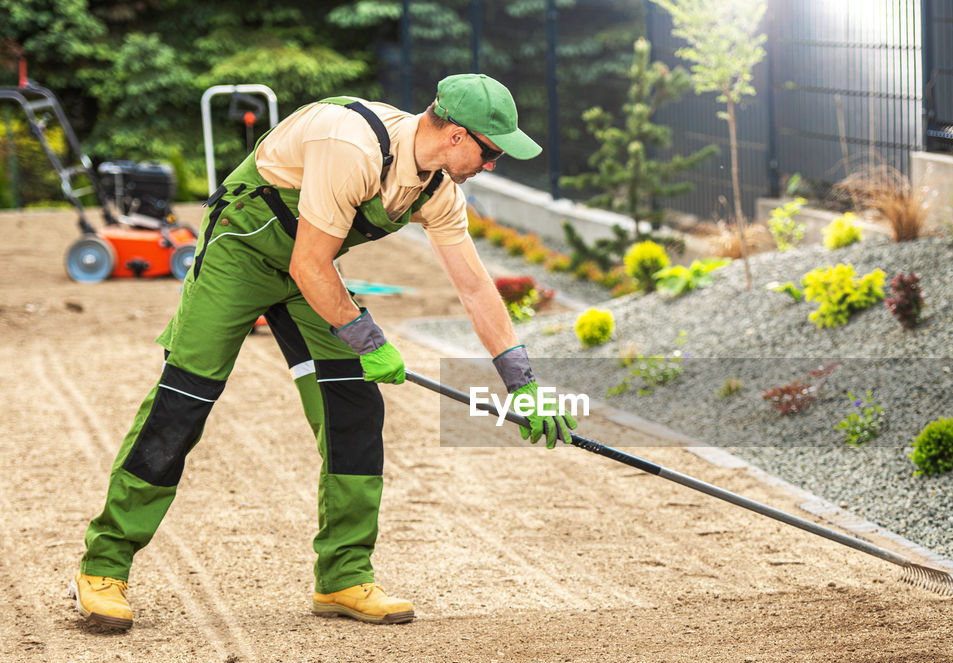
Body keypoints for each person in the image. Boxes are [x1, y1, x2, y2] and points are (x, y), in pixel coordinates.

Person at [70, 74, 577, 630]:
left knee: (354, 408)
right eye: (492, 150)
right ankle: (105, 566)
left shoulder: (436, 188)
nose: (494, 163)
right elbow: (307, 264)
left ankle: (343, 576)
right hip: (243, 252)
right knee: (182, 405)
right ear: (457, 135)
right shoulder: (351, 146)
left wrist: (521, 383)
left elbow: (476, 288)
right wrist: (370, 340)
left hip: (312, 270)